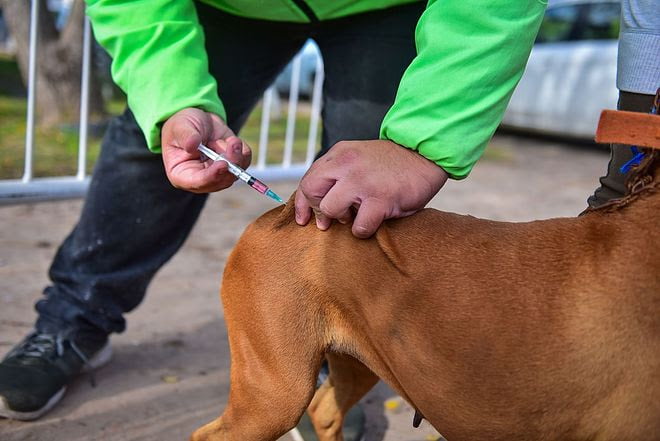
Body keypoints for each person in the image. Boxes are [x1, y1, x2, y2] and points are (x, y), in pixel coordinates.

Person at [0, 0, 657, 425]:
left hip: (379, 4)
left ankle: (352, 379)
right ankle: (71, 318)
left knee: (363, 218)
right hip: (229, 4)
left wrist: (418, 143)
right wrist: (170, 95)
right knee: (153, 149)